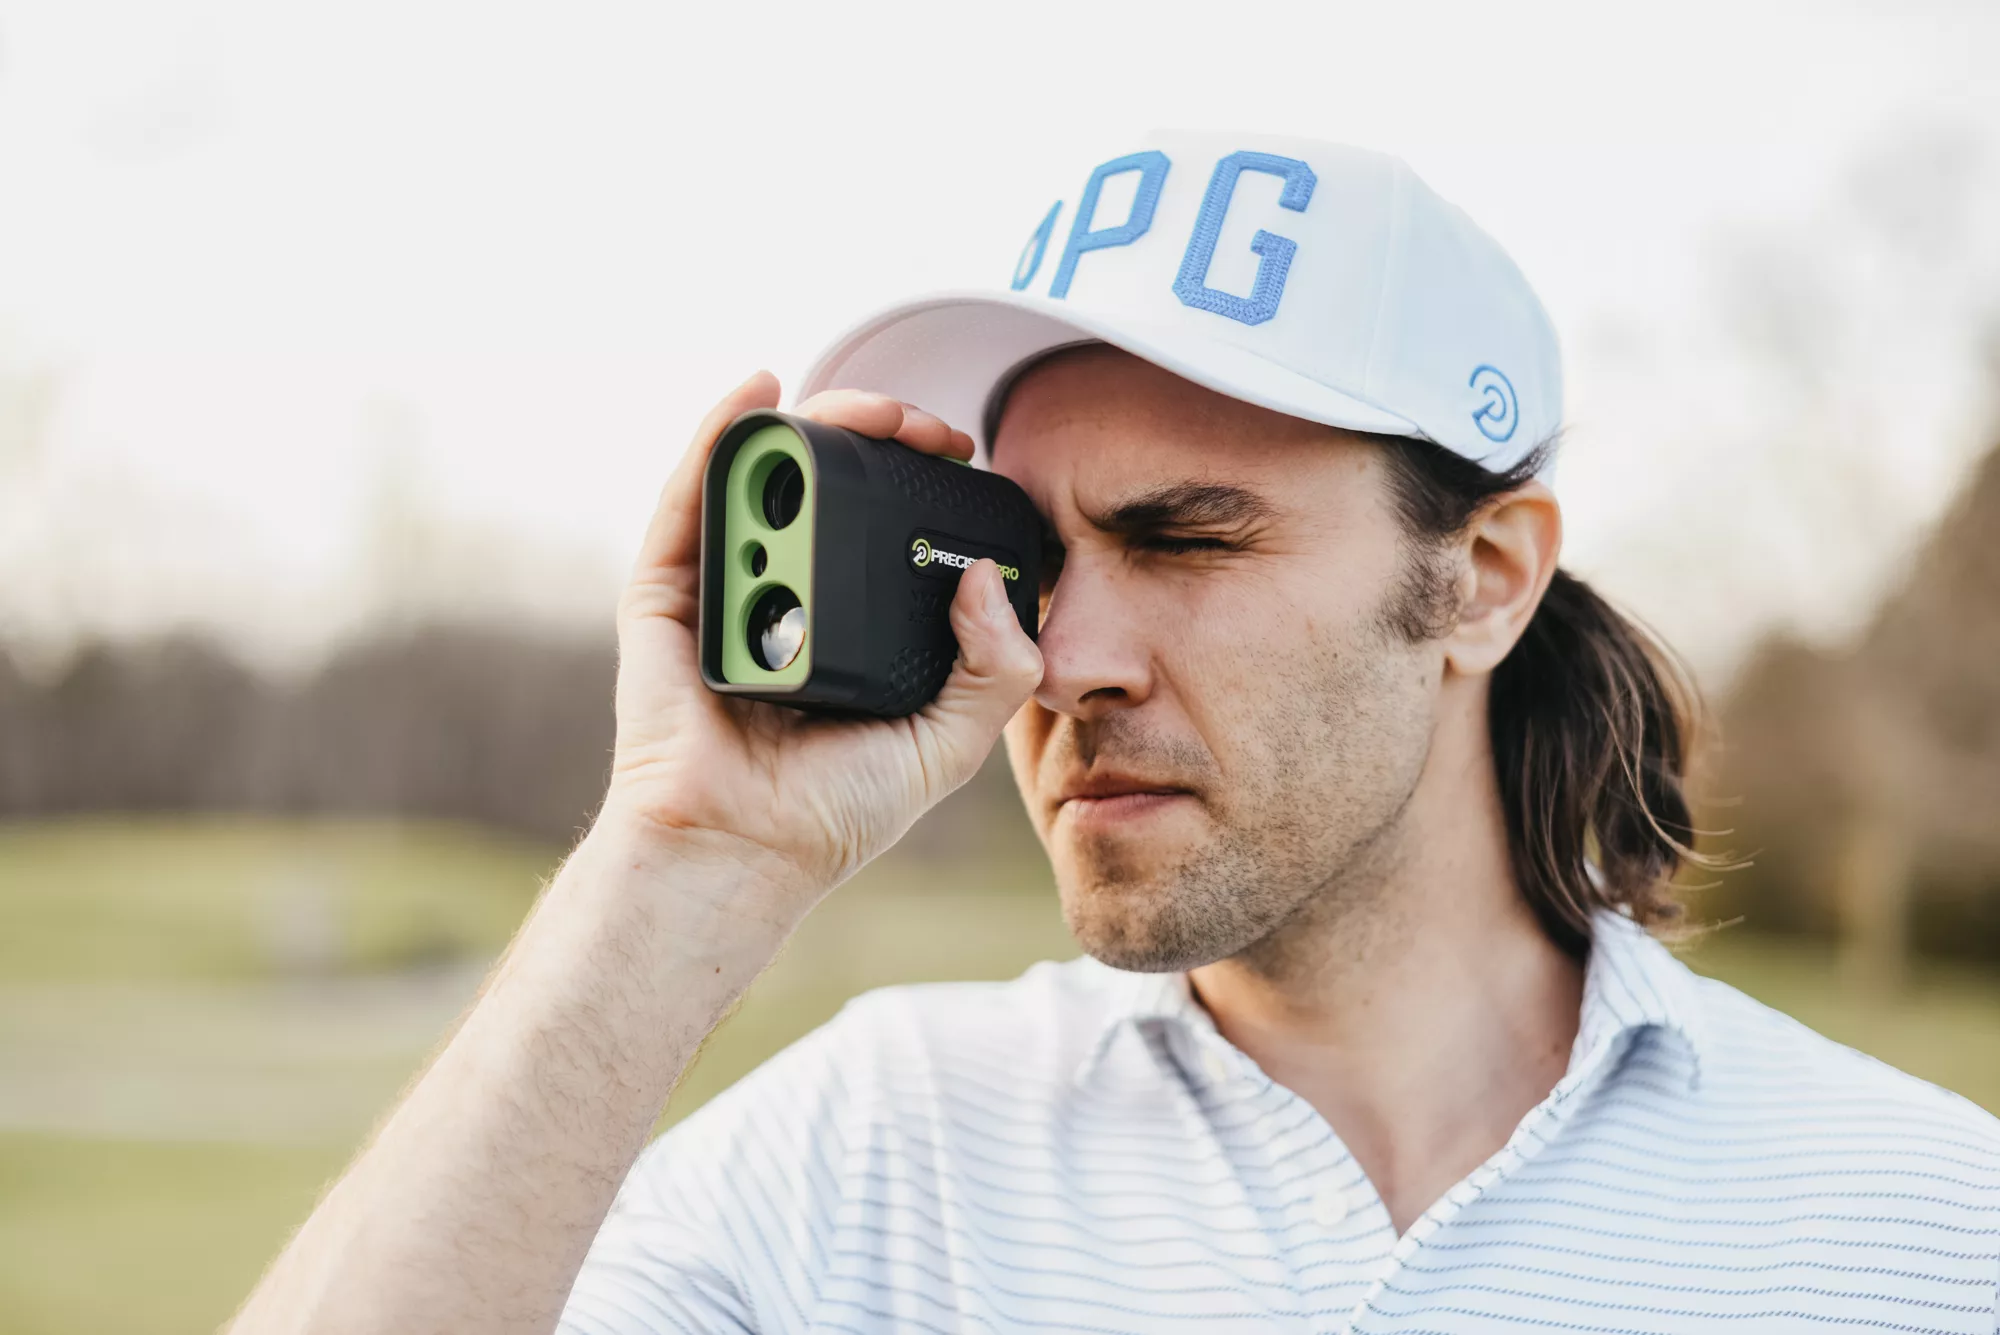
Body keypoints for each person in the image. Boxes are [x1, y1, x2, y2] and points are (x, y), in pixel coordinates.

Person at [230, 131, 2000, 1335]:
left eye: (1186, 539)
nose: (1054, 657)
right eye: (1029, 554)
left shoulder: (1925, 1226)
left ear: (1481, 581)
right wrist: (678, 854)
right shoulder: (865, 1161)